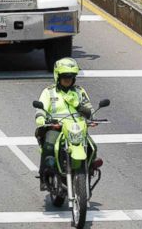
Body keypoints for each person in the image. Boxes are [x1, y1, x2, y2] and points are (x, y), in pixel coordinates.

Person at [34, 58, 98, 190]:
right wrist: (42, 120)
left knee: (93, 148)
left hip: (76, 128)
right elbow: (40, 110)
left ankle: (88, 170)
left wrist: (78, 106)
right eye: (65, 76)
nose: (68, 79)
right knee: (49, 146)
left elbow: (90, 112)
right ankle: (44, 177)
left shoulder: (80, 92)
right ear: (58, 76)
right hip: (57, 128)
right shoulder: (49, 92)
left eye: (71, 76)